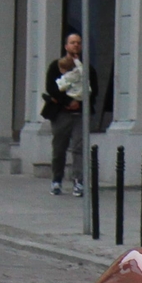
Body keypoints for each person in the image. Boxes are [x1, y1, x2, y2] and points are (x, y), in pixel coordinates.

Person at [42, 32, 89, 196]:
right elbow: (51, 88)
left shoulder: (84, 66)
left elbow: (92, 87)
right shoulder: (56, 66)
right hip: (61, 113)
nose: (76, 45)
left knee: (78, 147)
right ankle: (57, 180)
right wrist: (68, 101)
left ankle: (78, 181)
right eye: (73, 42)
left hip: (80, 113)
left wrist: (80, 100)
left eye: (79, 42)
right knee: (59, 148)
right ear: (66, 46)